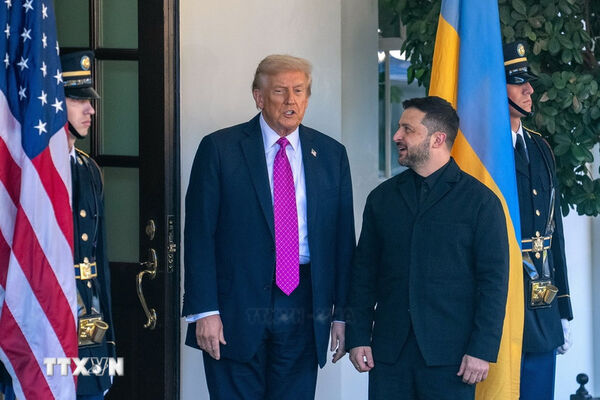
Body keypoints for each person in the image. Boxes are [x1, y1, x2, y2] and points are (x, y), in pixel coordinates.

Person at [182, 54, 355, 399]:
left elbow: (342, 241)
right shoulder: (220, 149)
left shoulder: (331, 154)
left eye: (299, 91)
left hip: (304, 302)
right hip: (234, 306)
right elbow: (199, 234)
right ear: (259, 97)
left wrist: (342, 314)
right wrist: (205, 310)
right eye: (280, 91)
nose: (291, 100)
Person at [346, 96, 510, 400]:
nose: (397, 136)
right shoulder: (381, 198)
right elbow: (364, 273)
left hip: (453, 359)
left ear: (437, 139)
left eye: (408, 129)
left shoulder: (481, 203)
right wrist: (357, 336)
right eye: (399, 128)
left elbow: (493, 283)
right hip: (388, 355)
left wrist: (482, 349)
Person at [503, 41, 573, 400]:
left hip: (542, 296)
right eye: (518, 82)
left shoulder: (540, 147)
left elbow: (553, 232)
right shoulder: (483, 151)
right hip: (501, 297)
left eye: (528, 82)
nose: (529, 90)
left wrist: (564, 307)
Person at [62, 50, 116, 400]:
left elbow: (99, 262)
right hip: (47, 311)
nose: (90, 110)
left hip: (88, 314)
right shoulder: (30, 174)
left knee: (91, 390)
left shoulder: (88, 169)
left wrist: (106, 346)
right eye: (78, 100)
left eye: (90, 101)